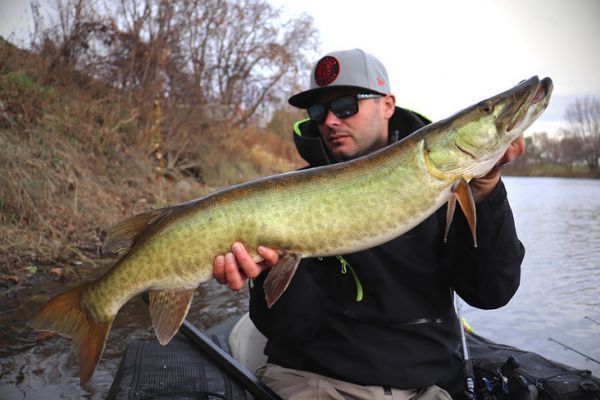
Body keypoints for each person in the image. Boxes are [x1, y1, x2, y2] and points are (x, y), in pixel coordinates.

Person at [213, 49, 525, 400]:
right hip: (317, 383)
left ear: (388, 105)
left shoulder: (449, 185)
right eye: (318, 111)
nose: (330, 120)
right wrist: (270, 272)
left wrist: (488, 192)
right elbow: (293, 330)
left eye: (346, 105)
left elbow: (492, 291)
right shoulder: (286, 200)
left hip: (429, 386)